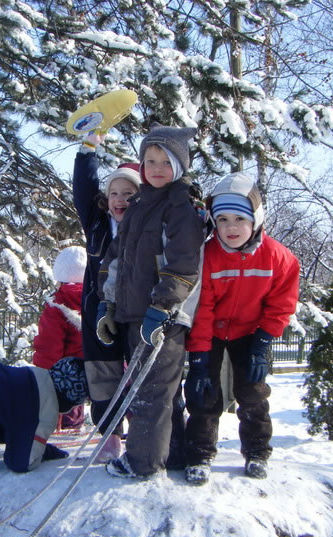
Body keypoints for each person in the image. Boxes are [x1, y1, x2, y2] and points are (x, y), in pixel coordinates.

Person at [96, 123, 205, 479]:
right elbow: (117, 260)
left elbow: (184, 265)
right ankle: (173, 454)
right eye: (150, 160)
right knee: (161, 392)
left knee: (151, 392)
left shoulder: (180, 207)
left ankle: (142, 463)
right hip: (133, 314)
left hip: (163, 318)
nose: (156, 168)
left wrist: (162, 307)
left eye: (165, 161)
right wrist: (108, 304)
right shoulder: (140, 204)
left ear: (179, 165)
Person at [183, 173, 300, 485]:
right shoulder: (207, 255)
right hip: (211, 331)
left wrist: (263, 343)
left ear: (255, 219)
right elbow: (201, 307)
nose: (230, 227)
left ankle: (257, 451)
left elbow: (282, 303)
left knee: (252, 393)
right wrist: (199, 357)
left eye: (239, 219)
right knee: (204, 393)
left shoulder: (278, 257)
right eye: (222, 220)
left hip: (250, 332)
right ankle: (200, 452)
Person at [72, 132, 141, 461]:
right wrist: (88, 150)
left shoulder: (149, 229)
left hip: (135, 312)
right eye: (114, 192)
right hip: (97, 312)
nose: (119, 199)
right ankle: (109, 435)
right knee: (102, 374)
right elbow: (84, 189)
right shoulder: (97, 224)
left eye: (128, 193)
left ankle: (146, 431)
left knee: (142, 372)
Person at [32, 245, 88, 429]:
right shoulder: (96, 301)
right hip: (94, 370)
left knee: (63, 412)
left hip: (65, 377)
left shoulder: (58, 305)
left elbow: (49, 348)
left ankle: (64, 428)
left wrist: (45, 380)